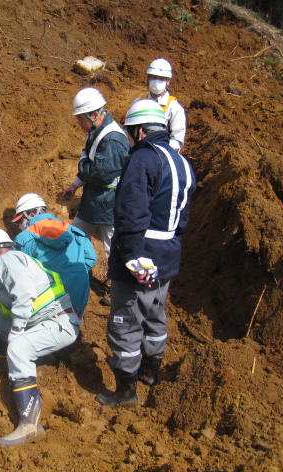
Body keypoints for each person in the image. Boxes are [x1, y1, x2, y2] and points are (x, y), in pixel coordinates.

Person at [96, 99, 196, 407]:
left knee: (125, 322)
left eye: (129, 132)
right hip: (166, 256)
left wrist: (130, 256)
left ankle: (126, 390)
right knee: (155, 313)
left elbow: (130, 213)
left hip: (141, 256)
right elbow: (183, 218)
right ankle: (152, 371)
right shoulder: (181, 162)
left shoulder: (143, 159)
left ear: (139, 132)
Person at [0, 228, 81, 447]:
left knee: (18, 349)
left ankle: (30, 425)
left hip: (58, 322)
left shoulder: (8, 260)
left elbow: (25, 294)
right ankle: (39, 357)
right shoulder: (6, 276)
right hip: (46, 323)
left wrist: (16, 332)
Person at [62, 87, 130, 262]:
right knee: (74, 237)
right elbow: (90, 164)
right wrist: (75, 184)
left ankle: (117, 286)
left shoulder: (112, 139)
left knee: (112, 249)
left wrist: (83, 161)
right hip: (94, 199)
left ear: (93, 115)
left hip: (109, 203)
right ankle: (73, 274)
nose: (78, 123)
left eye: (80, 118)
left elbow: (100, 174)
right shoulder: (95, 132)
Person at [12, 193, 97, 315]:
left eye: (20, 220)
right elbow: (91, 258)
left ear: (31, 214)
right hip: (77, 301)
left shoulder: (25, 238)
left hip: (47, 306)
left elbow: (11, 271)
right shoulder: (73, 231)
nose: (19, 226)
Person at [144, 58, 187, 152]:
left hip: (162, 155)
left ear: (168, 81)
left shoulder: (175, 108)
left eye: (161, 78)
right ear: (148, 78)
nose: (156, 81)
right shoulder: (138, 103)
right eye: (154, 77)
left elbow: (177, 140)